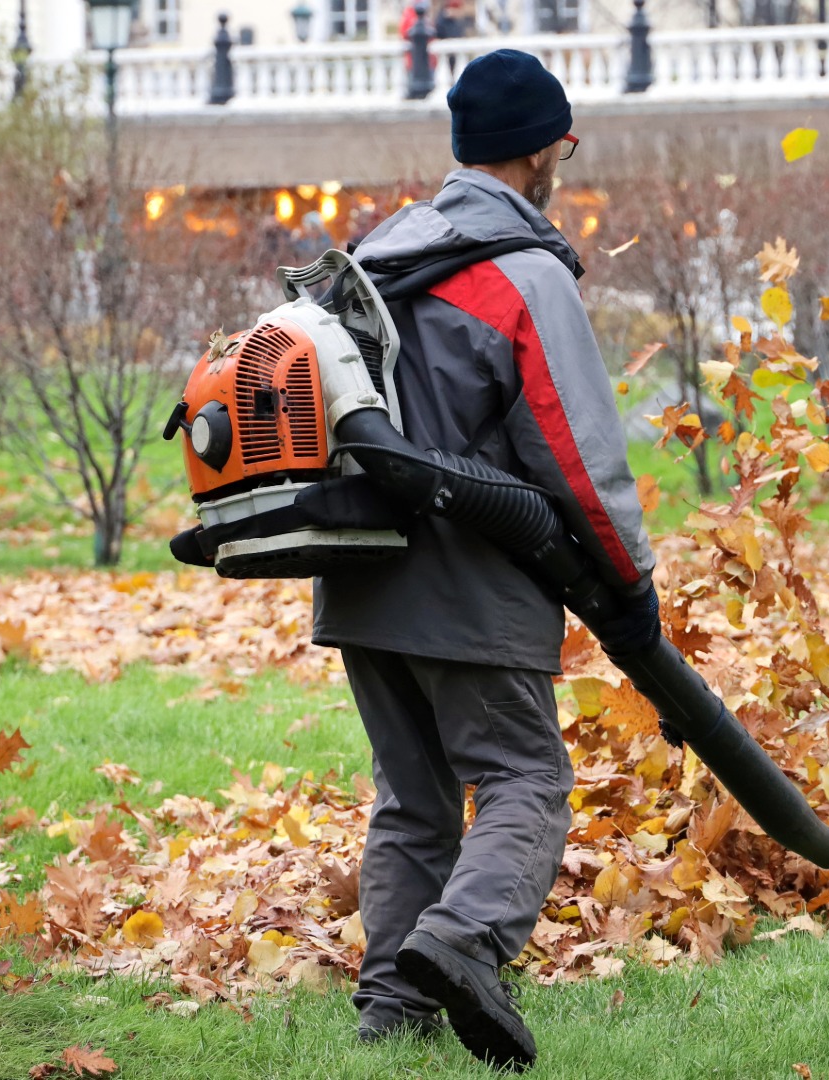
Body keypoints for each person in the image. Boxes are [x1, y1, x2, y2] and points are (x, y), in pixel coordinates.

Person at [311, 49, 655, 1072]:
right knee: (524, 779)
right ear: (547, 149)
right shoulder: (522, 271)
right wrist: (630, 587)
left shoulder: (381, 252)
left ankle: (388, 1020)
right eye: (566, 143)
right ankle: (463, 945)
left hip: (364, 573)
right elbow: (578, 456)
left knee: (413, 799)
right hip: (476, 579)